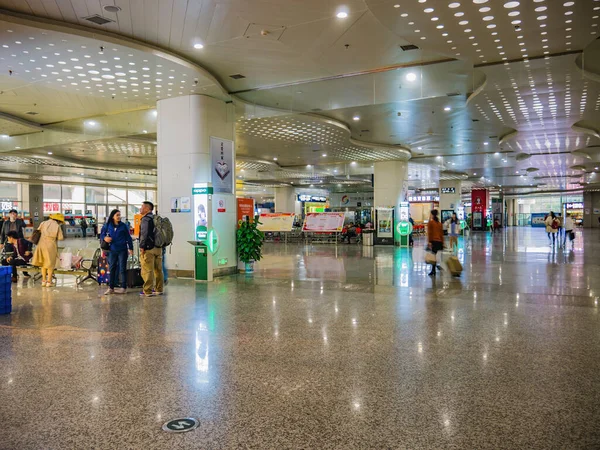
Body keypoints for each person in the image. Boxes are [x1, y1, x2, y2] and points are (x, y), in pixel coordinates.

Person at [100, 209, 133, 295]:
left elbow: (128, 237)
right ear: (113, 216)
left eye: (119, 215)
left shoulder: (124, 226)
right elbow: (102, 234)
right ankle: (111, 287)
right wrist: (104, 238)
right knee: (112, 268)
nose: (119, 217)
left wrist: (131, 248)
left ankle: (123, 287)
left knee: (122, 269)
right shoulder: (107, 225)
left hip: (122, 250)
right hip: (112, 250)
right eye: (117, 215)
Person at [31, 213, 65, 287]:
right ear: (59, 220)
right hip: (51, 245)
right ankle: (49, 281)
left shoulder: (43, 223)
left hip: (41, 244)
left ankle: (43, 280)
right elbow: (60, 238)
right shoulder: (57, 226)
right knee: (50, 264)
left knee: (43, 263)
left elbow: (38, 231)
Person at [139, 201, 163, 297]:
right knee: (158, 270)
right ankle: (159, 289)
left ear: (147, 209)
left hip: (149, 248)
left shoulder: (145, 219)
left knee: (147, 270)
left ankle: (147, 291)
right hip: (158, 248)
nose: (140, 208)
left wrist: (142, 246)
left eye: (142, 207)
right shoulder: (156, 218)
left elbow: (144, 234)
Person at [427, 209, 444, 276]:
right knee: (435, 255)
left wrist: (429, 242)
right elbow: (441, 234)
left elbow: (430, 233)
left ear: (432, 214)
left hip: (433, 241)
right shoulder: (439, 223)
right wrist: (442, 242)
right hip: (439, 241)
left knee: (433, 256)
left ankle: (433, 270)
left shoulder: (431, 223)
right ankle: (434, 269)